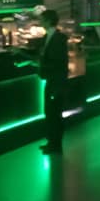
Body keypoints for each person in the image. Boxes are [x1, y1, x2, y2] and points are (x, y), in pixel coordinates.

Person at [38, 9, 68, 155]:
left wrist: (41, 65)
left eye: (42, 20)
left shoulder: (58, 38)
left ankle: (56, 145)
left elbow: (58, 63)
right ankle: (52, 142)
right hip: (52, 81)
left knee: (54, 114)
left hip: (56, 82)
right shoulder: (48, 36)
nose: (40, 22)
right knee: (50, 113)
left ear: (49, 21)